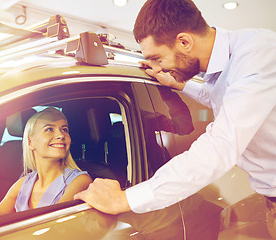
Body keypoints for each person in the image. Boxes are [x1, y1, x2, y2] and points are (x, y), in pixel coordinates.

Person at [74, 0, 276, 238]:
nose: (158, 66)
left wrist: (126, 198)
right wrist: (178, 84)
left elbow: (221, 146)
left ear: (184, 41)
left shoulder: (257, 55)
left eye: (158, 58)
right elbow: (218, 95)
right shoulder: (225, 68)